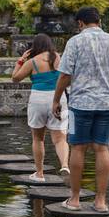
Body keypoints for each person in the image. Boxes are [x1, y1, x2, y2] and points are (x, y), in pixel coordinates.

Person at [51, 7, 109, 213]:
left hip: (79, 104)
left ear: (80, 23)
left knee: (78, 148)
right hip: (107, 104)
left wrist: (56, 100)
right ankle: (101, 201)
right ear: (99, 21)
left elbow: (65, 75)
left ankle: (75, 199)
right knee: (102, 148)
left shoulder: (75, 42)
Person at [12, 33, 70, 183]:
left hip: (38, 100)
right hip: (58, 98)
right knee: (60, 139)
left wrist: (21, 60)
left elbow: (15, 78)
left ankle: (40, 174)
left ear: (34, 47)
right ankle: (64, 165)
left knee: (38, 139)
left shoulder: (32, 62)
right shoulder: (57, 57)